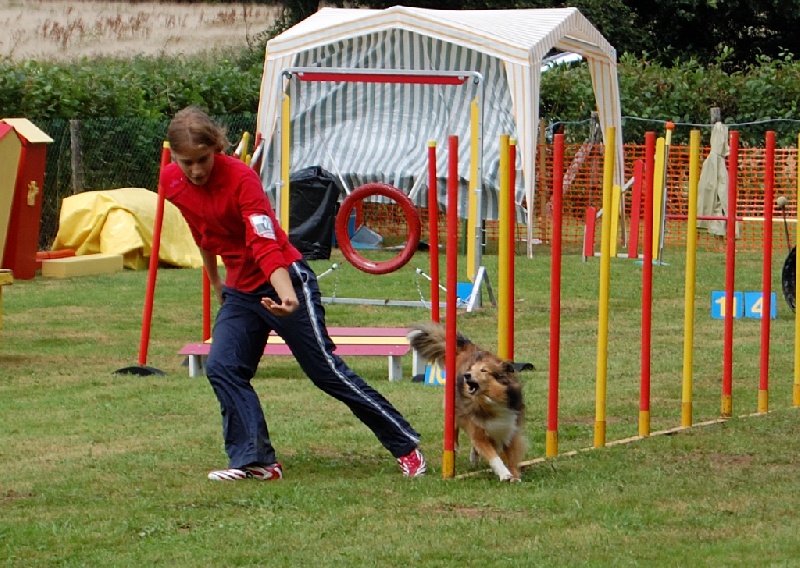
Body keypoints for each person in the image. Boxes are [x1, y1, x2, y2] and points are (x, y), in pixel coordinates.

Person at [161, 106, 426, 481]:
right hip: (240, 289)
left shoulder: (241, 179)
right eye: (187, 162)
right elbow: (201, 230)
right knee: (222, 367)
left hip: (286, 280)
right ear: (174, 157)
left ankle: (405, 445)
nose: (197, 170)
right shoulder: (171, 182)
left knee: (326, 373)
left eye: (203, 160)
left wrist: (287, 297)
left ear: (217, 149)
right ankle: (258, 462)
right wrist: (216, 280)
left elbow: (265, 242)